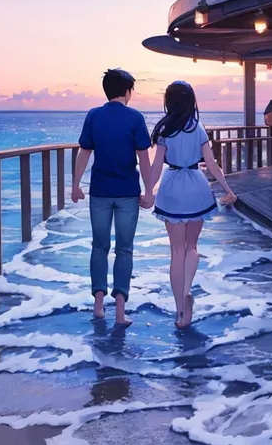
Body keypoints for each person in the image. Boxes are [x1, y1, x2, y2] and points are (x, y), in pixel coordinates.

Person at [146, 81, 237, 329]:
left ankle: (179, 311)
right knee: (192, 247)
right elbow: (212, 163)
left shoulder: (165, 130)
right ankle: (187, 290)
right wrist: (229, 190)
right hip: (196, 186)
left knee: (176, 252)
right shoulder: (198, 128)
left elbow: (156, 167)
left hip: (172, 188)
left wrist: (147, 192)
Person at [71, 68, 153, 326]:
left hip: (100, 191)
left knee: (99, 246)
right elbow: (144, 157)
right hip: (128, 192)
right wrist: (149, 190)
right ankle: (120, 312)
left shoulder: (94, 115)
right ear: (127, 91)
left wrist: (75, 185)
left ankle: (98, 306)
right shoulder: (135, 118)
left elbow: (84, 152)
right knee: (125, 249)